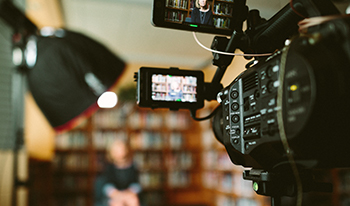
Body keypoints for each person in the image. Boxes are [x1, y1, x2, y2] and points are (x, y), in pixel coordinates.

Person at [94, 138, 142, 206]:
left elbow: (136, 184)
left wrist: (129, 193)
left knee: (133, 201)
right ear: (111, 152)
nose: (118, 152)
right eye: (116, 150)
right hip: (114, 196)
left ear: (125, 150)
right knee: (117, 204)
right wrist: (117, 194)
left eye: (120, 149)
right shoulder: (109, 168)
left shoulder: (132, 166)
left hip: (129, 194)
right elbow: (107, 185)